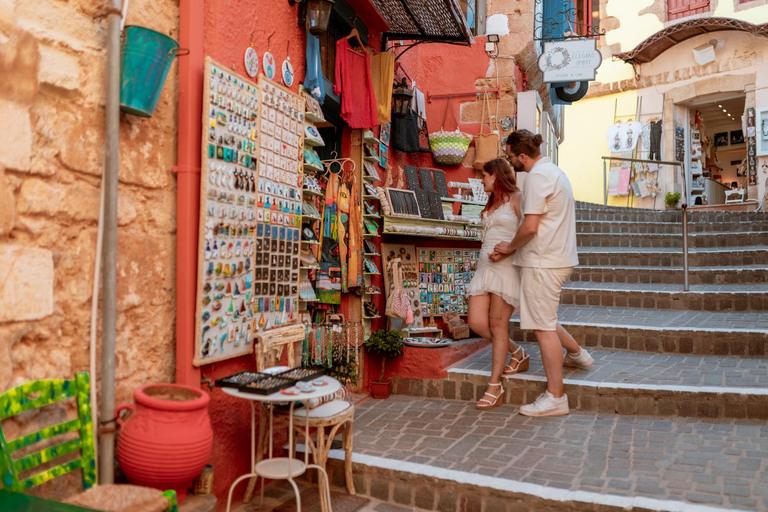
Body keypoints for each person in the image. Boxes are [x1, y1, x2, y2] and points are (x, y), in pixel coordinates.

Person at [490, 130, 593, 417]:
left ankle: (556, 397)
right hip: (554, 258)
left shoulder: (536, 178)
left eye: (510, 157)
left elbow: (530, 226)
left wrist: (509, 248)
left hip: (543, 261)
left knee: (542, 327)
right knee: (544, 316)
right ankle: (577, 355)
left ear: (522, 156)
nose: (509, 163)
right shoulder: (554, 172)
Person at [466, 158, 530, 410]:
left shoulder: (517, 198)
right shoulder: (492, 202)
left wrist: (508, 251)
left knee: (496, 324)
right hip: (484, 266)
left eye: (484, 176)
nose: (482, 181)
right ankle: (518, 352)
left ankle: (495, 386)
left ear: (496, 175)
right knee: (477, 323)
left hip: (506, 267)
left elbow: (529, 231)